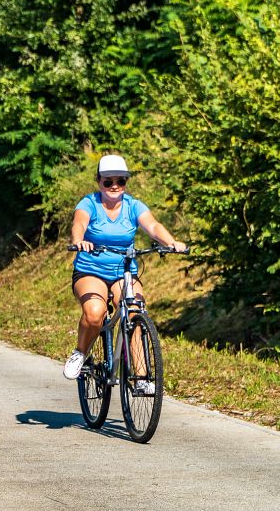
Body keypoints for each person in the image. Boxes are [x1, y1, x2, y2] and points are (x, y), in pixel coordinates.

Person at [63, 154, 187, 391]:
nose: (114, 186)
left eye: (120, 180)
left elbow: (152, 226)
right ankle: (80, 352)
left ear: (126, 181)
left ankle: (140, 378)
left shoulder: (133, 205)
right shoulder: (89, 203)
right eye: (107, 181)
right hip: (91, 270)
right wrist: (79, 241)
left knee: (134, 311)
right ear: (98, 181)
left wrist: (172, 242)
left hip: (124, 271)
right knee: (95, 312)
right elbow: (78, 224)